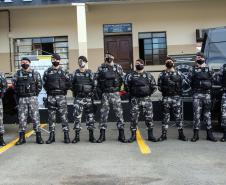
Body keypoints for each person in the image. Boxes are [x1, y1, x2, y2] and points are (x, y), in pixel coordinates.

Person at [95, 52, 127, 143]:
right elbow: (96, 80)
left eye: (110, 56)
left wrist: (123, 92)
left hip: (115, 93)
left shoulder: (118, 67)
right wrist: (98, 91)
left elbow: (124, 79)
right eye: (106, 56)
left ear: (113, 57)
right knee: (103, 115)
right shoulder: (101, 68)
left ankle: (121, 134)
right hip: (105, 94)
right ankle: (102, 135)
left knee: (119, 114)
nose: (108, 58)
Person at [12, 57, 44, 145]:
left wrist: (33, 94)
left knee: (35, 117)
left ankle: (38, 137)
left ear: (29, 63)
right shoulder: (17, 74)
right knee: (22, 118)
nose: (24, 63)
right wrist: (20, 94)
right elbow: (14, 86)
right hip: (22, 99)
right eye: (22, 62)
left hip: (32, 98)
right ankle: (22, 138)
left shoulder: (35, 73)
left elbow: (39, 86)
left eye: (26, 62)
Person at [125, 59, 157, 143]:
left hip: (146, 100)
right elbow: (126, 87)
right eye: (136, 64)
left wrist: (147, 94)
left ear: (143, 65)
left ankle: (151, 136)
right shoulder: (130, 76)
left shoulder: (148, 75)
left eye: (139, 64)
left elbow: (154, 87)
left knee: (149, 118)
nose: (137, 65)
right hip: (135, 100)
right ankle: (133, 136)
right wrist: (133, 94)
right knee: (133, 118)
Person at [43, 53, 71, 144]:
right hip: (51, 96)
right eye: (53, 59)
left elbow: (68, 83)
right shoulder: (47, 71)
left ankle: (66, 135)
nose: (54, 61)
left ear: (59, 60)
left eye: (56, 59)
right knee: (51, 117)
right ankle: (52, 136)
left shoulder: (64, 71)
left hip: (61, 97)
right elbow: (44, 84)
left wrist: (63, 91)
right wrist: (50, 91)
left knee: (64, 117)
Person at [157, 57, 187, 141]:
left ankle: (181, 134)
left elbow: (183, 84)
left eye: (170, 62)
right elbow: (159, 86)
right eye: (167, 62)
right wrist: (166, 89)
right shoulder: (162, 74)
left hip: (176, 97)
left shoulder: (179, 73)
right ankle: (163, 135)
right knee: (165, 117)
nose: (168, 63)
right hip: (166, 98)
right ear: (165, 64)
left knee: (178, 116)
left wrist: (176, 88)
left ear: (173, 63)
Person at [189, 52, 217, 142]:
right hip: (197, 95)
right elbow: (188, 81)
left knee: (207, 115)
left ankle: (210, 135)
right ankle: (195, 135)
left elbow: (214, 79)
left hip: (207, 95)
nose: (198, 58)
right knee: (196, 115)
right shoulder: (193, 69)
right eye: (197, 57)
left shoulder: (209, 69)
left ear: (204, 58)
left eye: (200, 57)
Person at [71, 56, 97, 143]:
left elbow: (95, 85)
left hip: (88, 98)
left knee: (90, 117)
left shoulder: (90, 73)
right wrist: (76, 92)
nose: (80, 63)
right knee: (77, 117)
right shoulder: (75, 73)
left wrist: (91, 93)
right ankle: (77, 136)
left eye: (82, 61)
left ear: (86, 62)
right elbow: (71, 85)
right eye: (79, 61)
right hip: (79, 98)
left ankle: (91, 136)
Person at [0, 72, 8, 146]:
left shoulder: (1, 74)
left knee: (0, 120)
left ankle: (1, 139)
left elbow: (5, 86)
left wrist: (1, 94)